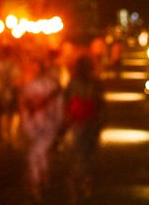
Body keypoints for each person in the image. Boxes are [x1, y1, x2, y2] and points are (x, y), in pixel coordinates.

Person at [19, 59, 64, 201]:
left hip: (44, 124)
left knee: (36, 153)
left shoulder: (46, 86)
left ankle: (37, 182)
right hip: (41, 125)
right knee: (39, 152)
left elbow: (57, 104)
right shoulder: (31, 86)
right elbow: (24, 106)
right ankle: (41, 179)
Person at [64, 56, 104, 203]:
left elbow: (66, 101)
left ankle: (78, 185)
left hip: (79, 123)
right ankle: (84, 184)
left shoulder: (75, 82)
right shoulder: (94, 83)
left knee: (79, 155)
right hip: (87, 123)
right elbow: (100, 104)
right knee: (86, 155)